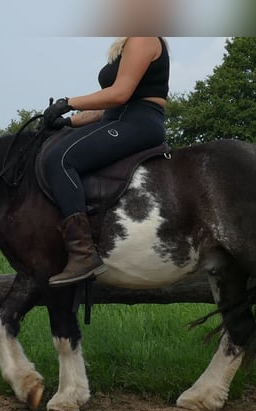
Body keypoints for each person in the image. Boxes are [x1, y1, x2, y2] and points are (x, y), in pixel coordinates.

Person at [41, 36, 170, 286]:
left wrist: (67, 103)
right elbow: (105, 109)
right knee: (59, 146)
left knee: (60, 159)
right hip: (117, 119)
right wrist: (66, 122)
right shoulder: (128, 43)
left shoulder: (143, 38)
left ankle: (82, 255)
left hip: (138, 121)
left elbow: (119, 95)